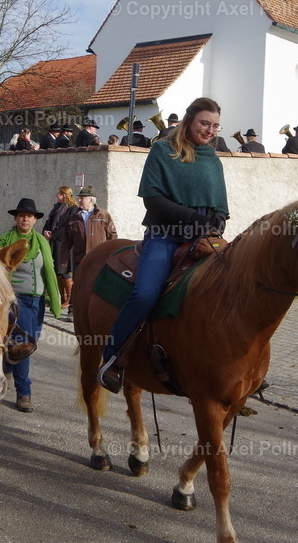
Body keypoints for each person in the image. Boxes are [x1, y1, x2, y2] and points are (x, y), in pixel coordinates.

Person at [97, 97, 229, 393]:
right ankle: (114, 358)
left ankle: (236, 363)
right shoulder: (162, 150)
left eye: (215, 126)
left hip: (204, 238)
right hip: (164, 236)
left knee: (234, 284)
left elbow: (219, 202)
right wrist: (193, 217)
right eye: (204, 123)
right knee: (145, 294)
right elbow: (153, 199)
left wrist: (218, 218)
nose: (209, 130)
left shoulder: (212, 156)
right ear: (189, 120)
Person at [0, 198, 61, 412]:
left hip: (37, 301)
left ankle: (5, 364)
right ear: (16, 218)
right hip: (16, 300)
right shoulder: (5, 241)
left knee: (28, 343)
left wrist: (52, 297)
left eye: (29, 216)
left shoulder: (42, 241)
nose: (25, 218)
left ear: (34, 220)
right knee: (24, 345)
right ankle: (24, 393)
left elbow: (48, 270)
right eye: (22, 215)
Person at [42, 186, 79, 314]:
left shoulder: (72, 209)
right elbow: (49, 222)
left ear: (64, 195)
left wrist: (54, 234)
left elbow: (68, 227)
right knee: (56, 269)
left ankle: (69, 298)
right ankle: (62, 297)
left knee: (63, 270)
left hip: (64, 244)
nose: (56, 195)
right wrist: (46, 231)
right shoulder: (56, 207)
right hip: (54, 242)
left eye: (58, 193)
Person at [66, 185, 117, 273]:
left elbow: (112, 236)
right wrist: (64, 259)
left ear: (90, 200)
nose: (79, 200)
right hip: (80, 259)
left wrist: (111, 254)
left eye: (82, 198)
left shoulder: (103, 215)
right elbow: (67, 240)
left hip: (99, 259)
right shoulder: (73, 216)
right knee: (81, 284)